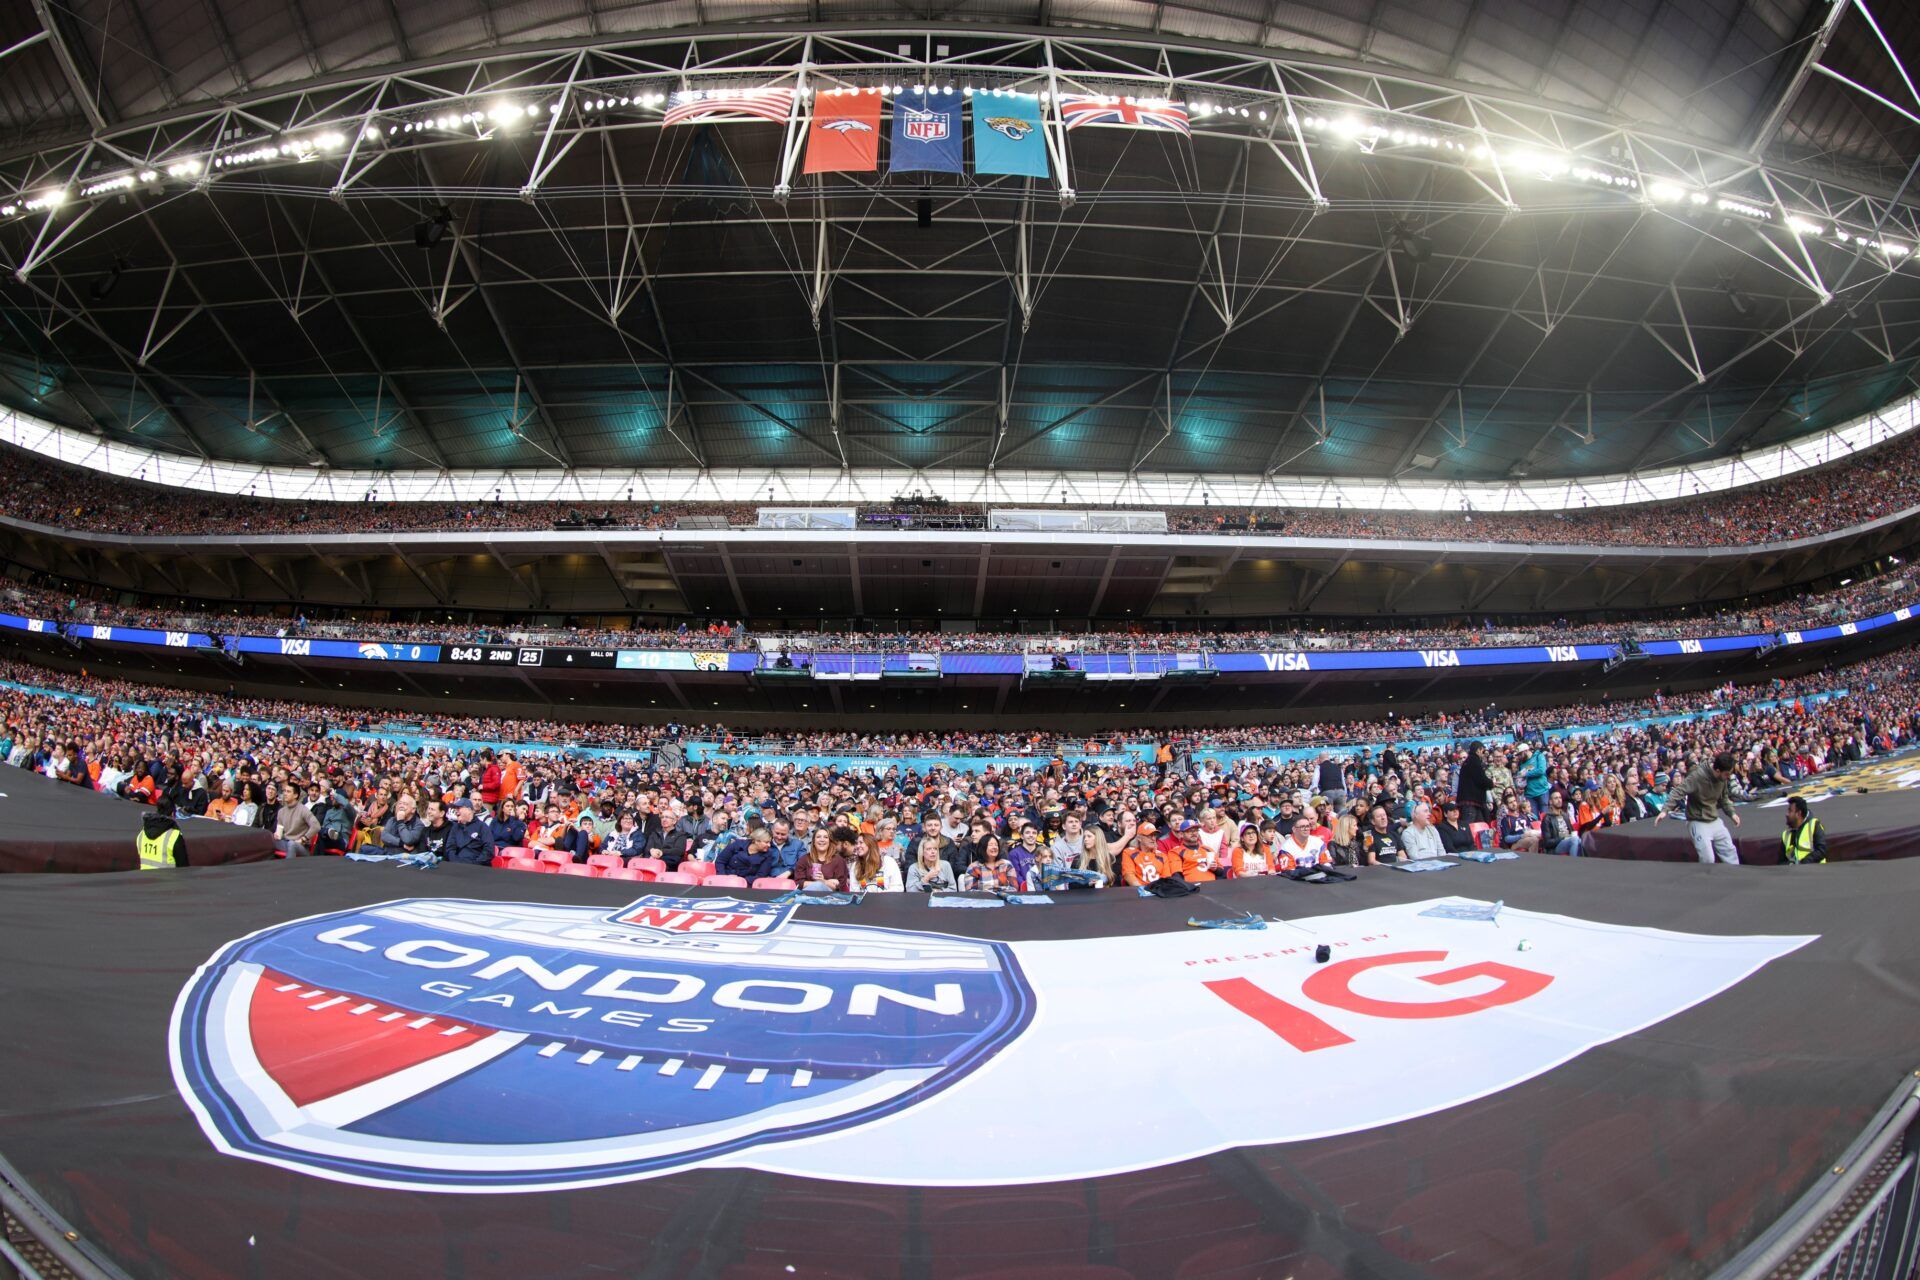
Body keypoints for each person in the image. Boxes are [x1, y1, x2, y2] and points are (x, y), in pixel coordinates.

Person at [1656, 750, 1743, 865]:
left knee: (1730, 852)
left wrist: (1732, 813)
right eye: (1727, 774)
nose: (1728, 777)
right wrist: (1665, 810)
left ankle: (1734, 876)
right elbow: (1678, 791)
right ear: (1717, 770)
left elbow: (1724, 798)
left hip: (1713, 819)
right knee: (1708, 858)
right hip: (1698, 821)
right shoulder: (1697, 777)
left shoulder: (1723, 779)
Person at [443, 796, 497, 865]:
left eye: (459, 808)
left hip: (476, 868)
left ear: (469, 810)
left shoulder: (482, 827)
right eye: (455, 808)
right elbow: (450, 848)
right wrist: (456, 862)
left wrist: (474, 864)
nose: (456, 810)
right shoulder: (455, 827)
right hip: (456, 866)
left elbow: (489, 850)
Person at [272, 784, 318, 857]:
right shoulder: (281, 811)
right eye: (284, 791)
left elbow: (316, 826)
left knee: (292, 844)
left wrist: (303, 839)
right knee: (266, 840)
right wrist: (276, 835)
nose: (285, 794)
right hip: (285, 842)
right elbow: (280, 832)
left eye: (288, 792)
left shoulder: (303, 810)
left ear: (295, 795)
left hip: (301, 846)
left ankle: (288, 868)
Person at [1781, 795, 1828, 864]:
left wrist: (1804, 862)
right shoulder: (1785, 835)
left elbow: (1822, 850)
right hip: (1794, 872)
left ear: (1798, 814)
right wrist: (1789, 865)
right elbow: (1781, 861)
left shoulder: (1814, 825)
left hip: (1816, 870)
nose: (1786, 814)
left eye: (1790, 811)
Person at [1540, 790, 1580, 856]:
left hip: (1569, 840)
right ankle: (1574, 863)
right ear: (1550, 802)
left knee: (1582, 841)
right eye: (1556, 798)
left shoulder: (1565, 815)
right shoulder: (1547, 818)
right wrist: (1563, 838)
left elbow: (1572, 832)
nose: (1559, 800)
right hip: (1555, 847)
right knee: (1574, 840)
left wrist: (1571, 836)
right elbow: (1547, 842)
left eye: (1560, 798)